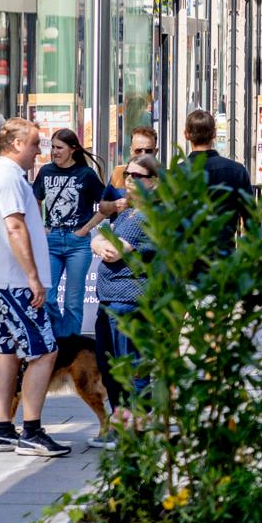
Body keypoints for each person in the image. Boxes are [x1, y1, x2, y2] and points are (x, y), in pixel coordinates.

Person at [0, 118, 71, 457]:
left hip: (6, 280)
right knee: (44, 351)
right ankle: (31, 431)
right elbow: (15, 227)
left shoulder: (3, 174)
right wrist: (32, 277)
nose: (39, 152)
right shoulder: (8, 176)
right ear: (15, 144)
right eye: (33, 144)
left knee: (9, 351)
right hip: (15, 282)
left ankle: (2, 429)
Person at [90, 153, 160, 443]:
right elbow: (97, 237)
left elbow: (113, 250)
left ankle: (139, 428)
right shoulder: (127, 213)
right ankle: (123, 424)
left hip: (129, 303)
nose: (129, 180)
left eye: (137, 176)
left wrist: (102, 242)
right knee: (109, 368)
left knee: (131, 367)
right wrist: (99, 241)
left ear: (153, 182)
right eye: (127, 175)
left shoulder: (150, 217)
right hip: (109, 301)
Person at [33, 129, 106, 338]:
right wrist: (42, 227)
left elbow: (105, 206)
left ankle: (70, 348)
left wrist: (85, 229)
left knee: (73, 301)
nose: (54, 152)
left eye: (59, 148)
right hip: (52, 240)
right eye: (52, 147)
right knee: (47, 296)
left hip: (77, 243)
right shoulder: (46, 172)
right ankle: (59, 340)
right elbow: (35, 200)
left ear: (73, 150)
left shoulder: (86, 174)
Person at [179, 109, 253, 262]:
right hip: (224, 261)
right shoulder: (237, 171)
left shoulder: (174, 175)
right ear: (214, 134)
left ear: (186, 134)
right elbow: (252, 221)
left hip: (187, 264)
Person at [98, 126, 158, 218]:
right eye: (138, 150)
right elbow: (102, 207)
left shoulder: (165, 178)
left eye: (148, 151)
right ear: (131, 151)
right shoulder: (119, 172)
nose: (143, 155)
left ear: (156, 151)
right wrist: (114, 205)